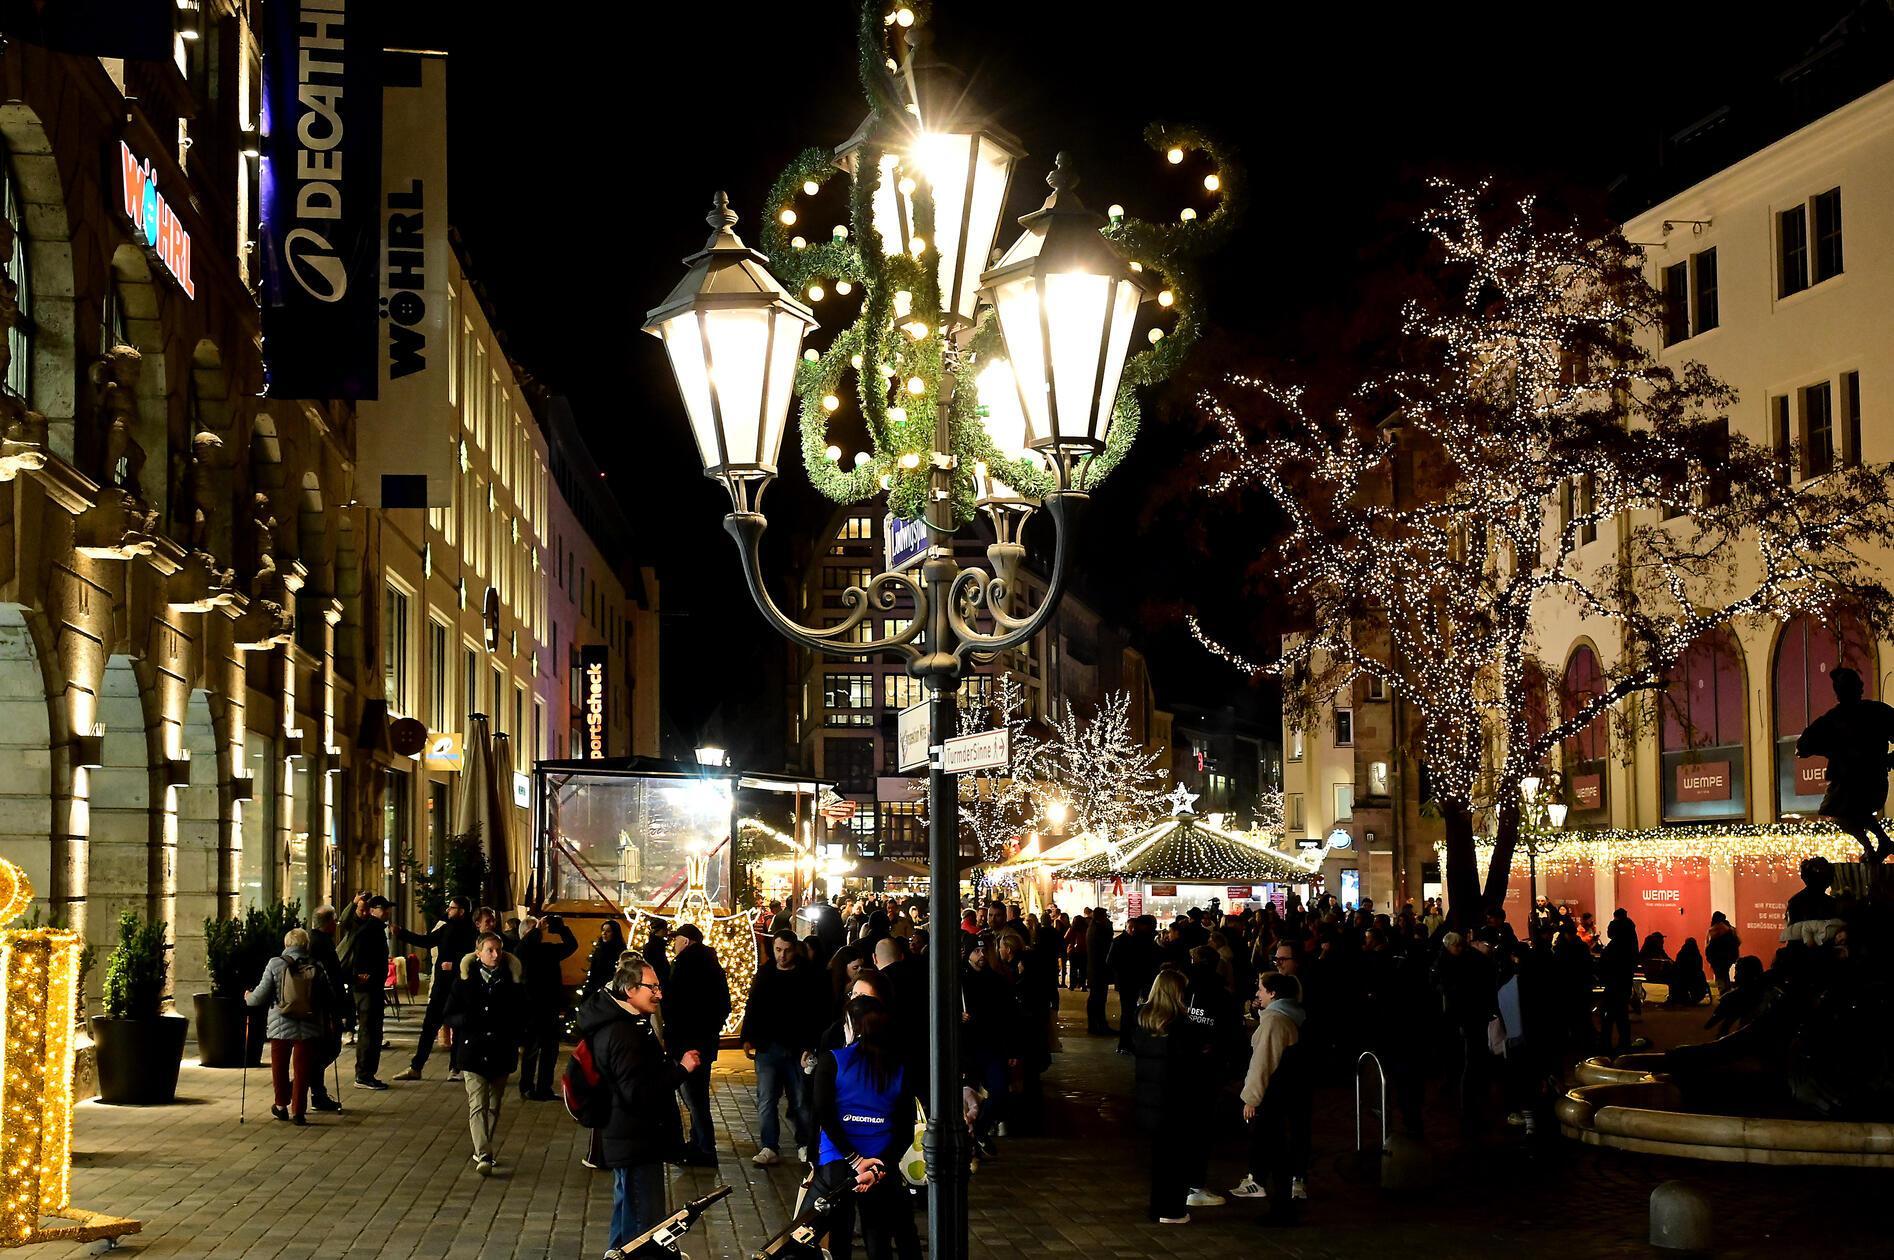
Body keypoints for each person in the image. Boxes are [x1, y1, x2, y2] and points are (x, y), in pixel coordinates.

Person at [578, 955, 701, 1256]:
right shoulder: (623, 1032)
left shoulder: (628, 1023)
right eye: (652, 987)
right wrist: (681, 1070)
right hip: (635, 1138)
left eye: (659, 987)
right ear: (630, 990)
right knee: (642, 1224)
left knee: (627, 1212)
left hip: (631, 1137)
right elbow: (637, 1092)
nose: (659, 994)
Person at [812, 996, 921, 1260]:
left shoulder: (833, 1060)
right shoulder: (899, 1067)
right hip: (880, 1161)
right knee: (878, 1234)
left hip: (838, 1158)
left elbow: (823, 1114)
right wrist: (877, 1167)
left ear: (852, 1026)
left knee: (839, 1233)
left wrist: (854, 1159)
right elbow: (905, 1130)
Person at [1133, 970, 1217, 1225]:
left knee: (1160, 1159)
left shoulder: (1143, 1020)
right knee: (1176, 1160)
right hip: (1176, 1101)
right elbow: (1189, 1065)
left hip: (1150, 1099)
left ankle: (1157, 1207)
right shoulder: (1181, 1027)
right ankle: (1172, 1210)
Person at [445, 932, 526, 1174]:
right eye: (490, 950)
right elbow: (448, 1014)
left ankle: (484, 1146)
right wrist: (465, 1021)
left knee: (494, 1106)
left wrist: (516, 1035)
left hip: (501, 1051)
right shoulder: (464, 981)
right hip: (473, 1051)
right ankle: (483, 1153)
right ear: (478, 953)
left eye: (498, 949)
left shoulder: (512, 982)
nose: (495, 954)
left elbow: (523, 1012)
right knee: (478, 1104)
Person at [1795, 665, 1894, 860]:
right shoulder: (1845, 716)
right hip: (1857, 780)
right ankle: (1878, 844)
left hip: (1862, 780)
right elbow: (1804, 745)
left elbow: (1804, 745)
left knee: (1845, 812)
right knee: (1847, 813)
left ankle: (1878, 844)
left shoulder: (1860, 714)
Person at [740, 931, 822, 1167]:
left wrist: (810, 1045)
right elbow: (753, 1005)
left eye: (786, 950)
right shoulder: (766, 974)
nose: (782, 955)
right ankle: (769, 1145)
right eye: (778, 950)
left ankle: (804, 1143)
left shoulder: (808, 975)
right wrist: (748, 1036)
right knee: (767, 1098)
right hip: (769, 1046)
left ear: (795, 950)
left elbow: (815, 1013)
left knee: (800, 1099)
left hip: (797, 1048)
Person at [1234, 972, 1308, 1220]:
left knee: (1275, 1149)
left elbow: (1263, 1063)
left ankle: (1281, 1206)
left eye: (1261, 989)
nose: (1258, 993)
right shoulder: (1290, 1016)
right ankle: (1282, 1203)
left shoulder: (1274, 1021)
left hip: (1272, 1094)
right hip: (1286, 1092)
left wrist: (1251, 1098)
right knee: (1278, 1148)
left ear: (1273, 993)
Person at [245, 927, 332, 1125]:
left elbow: (258, 997)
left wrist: (248, 997)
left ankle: (281, 1106)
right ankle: (299, 1112)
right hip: (309, 1025)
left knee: (280, 1067)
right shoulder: (317, 965)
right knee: (303, 1070)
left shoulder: (275, 964)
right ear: (306, 945)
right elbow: (328, 996)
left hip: (280, 1024)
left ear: (286, 944)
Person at [663, 923, 731, 1167]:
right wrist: (711, 1029)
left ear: (686, 941)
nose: (673, 944)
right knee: (697, 1096)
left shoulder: (684, 964)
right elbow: (724, 1005)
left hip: (685, 1042)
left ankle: (704, 1148)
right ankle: (698, 1143)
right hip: (705, 1041)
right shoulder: (713, 964)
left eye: (676, 939)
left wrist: (673, 1033)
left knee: (693, 1098)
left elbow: (673, 1004)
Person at [393, 897, 478, 1082]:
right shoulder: (446, 928)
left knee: (459, 1027)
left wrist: (455, 965)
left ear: (462, 911)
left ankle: (455, 1067)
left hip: (459, 988)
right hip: (441, 987)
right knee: (429, 1026)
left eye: (452, 908)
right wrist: (402, 933)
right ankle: (416, 1067)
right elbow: (427, 941)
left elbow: (473, 957)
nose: (448, 910)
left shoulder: (471, 931)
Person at [515, 913, 579, 1100]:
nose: (538, 933)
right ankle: (526, 1086)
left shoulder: (548, 950)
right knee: (531, 1049)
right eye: (532, 930)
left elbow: (572, 945)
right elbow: (523, 947)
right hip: (531, 1007)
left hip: (550, 1006)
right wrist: (537, 929)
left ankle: (545, 1087)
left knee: (550, 1050)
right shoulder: (522, 951)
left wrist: (561, 928)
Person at [348, 896, 393, 1089]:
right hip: (367, 989)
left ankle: (367, 1073)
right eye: (383, 908)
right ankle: (364, 1074)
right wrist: (365, 975)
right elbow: (362, 956)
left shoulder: (375, 929)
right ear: (372, 909)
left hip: (371, 987)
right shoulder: (369, 929)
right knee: (369, 1031)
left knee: (373, 1031)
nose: (387, 912)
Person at [305, 905, 346, 1113]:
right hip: (325, 1006)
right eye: (334, 921)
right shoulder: (320, 944)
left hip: (324, 1005)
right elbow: (330, 976)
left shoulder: (316, 941)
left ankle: (315, 1091)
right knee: (329, 1048)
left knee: (324, 1050)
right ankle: (307, 1087)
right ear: (329, 923)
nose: (336, 925)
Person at [1109, 916, 1157, 1054]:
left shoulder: (1135, 940)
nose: (1134, 930)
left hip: (1132, 981)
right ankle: (1126, 1043)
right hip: (1129, 982)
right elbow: (1111, 961)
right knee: (1128, 1012)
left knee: (1129, 1012)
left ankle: (1127, 1042)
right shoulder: (1123, 941)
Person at [1085, 909, 1115, 1034]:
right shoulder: (1098, 930)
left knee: (1096, 997)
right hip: (1098, 969)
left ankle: (1095, 1024)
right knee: (1098, 998)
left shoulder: (1093, 928)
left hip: (1095, 969)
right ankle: (1099, 1025)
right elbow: (1107, 945)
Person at [1705, 912, 1741, 993]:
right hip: (1728, 958)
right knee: (1725, 974)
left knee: (1719, 978)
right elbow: (1738, 942)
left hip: (1716, 959)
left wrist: (1709, 959)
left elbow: (1708, 947)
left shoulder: (1712, 931)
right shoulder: (1730, 929)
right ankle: (1727, 991)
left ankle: (1723, 992)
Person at [1668, 938, 1709, 1007]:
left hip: (1682, 978)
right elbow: (1699, 967)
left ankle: (1680, 998)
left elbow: (1677, 965)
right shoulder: (1697, 955)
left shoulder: (1681, 954)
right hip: (1695, 978)